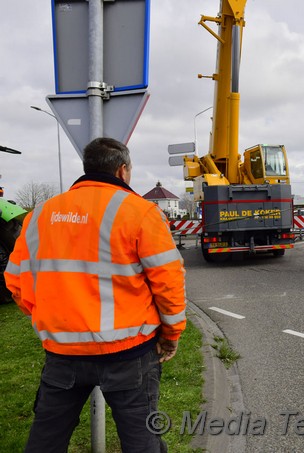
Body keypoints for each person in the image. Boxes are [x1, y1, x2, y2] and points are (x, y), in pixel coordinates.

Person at [4, 137, 186, 452]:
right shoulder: (140, 213)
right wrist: (171, 334)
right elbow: (168, 281)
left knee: (47, 438)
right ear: (122, 170)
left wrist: (48, 318)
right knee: (141, 437)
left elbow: (16, 280)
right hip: (128, 353)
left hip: (63, 354)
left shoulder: (41, 214)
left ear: (88, 168)